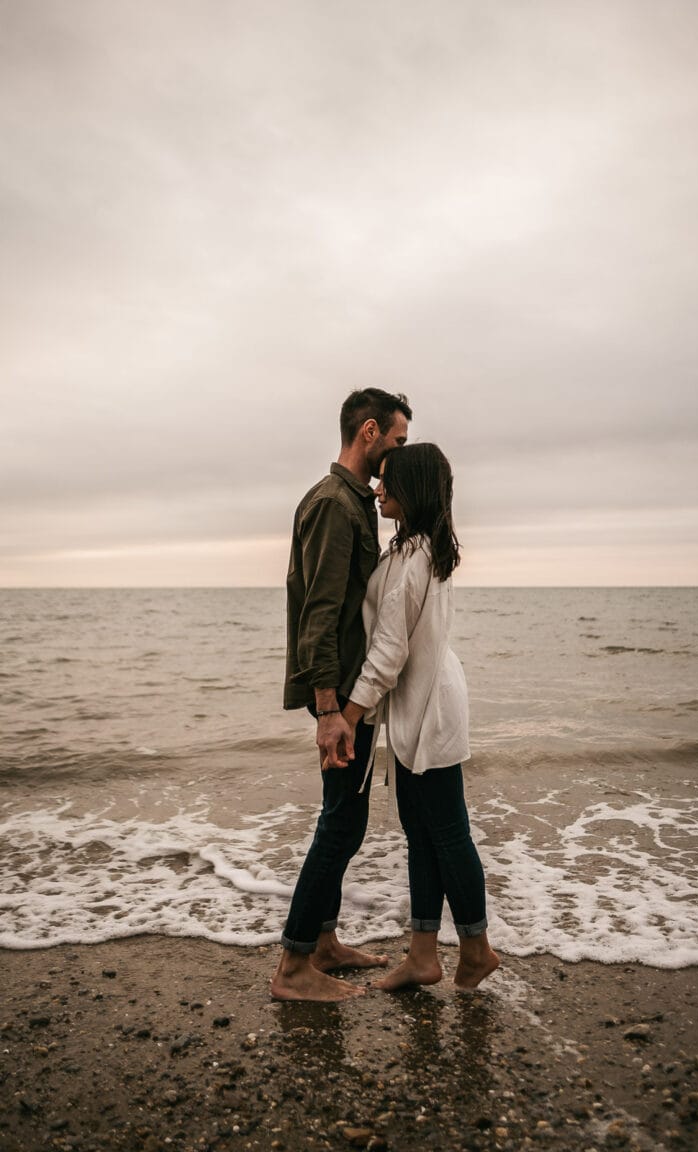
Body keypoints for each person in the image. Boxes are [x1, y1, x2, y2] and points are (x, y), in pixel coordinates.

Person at [270, 388, 413, 1002]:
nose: (398, 458)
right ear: (371, 432)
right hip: (340, 694)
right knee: (339, 826)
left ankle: (323, 942)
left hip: (349, 690)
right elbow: (321, 615)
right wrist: (330, 711)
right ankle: (295, 966)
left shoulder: (350, 501)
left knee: (343, 822)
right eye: (398, 443)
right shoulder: (335, 505)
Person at [342, 443, 499, 990]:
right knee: (421, 833)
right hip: (422, 702)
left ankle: (476, 949)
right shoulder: (414, 547)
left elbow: (388, 653)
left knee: (447, 833)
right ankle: (425, 956)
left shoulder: (416, 558)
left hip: (430, 707)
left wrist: (348, 714)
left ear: (412, 488)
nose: (378, 488)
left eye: (387, 481)